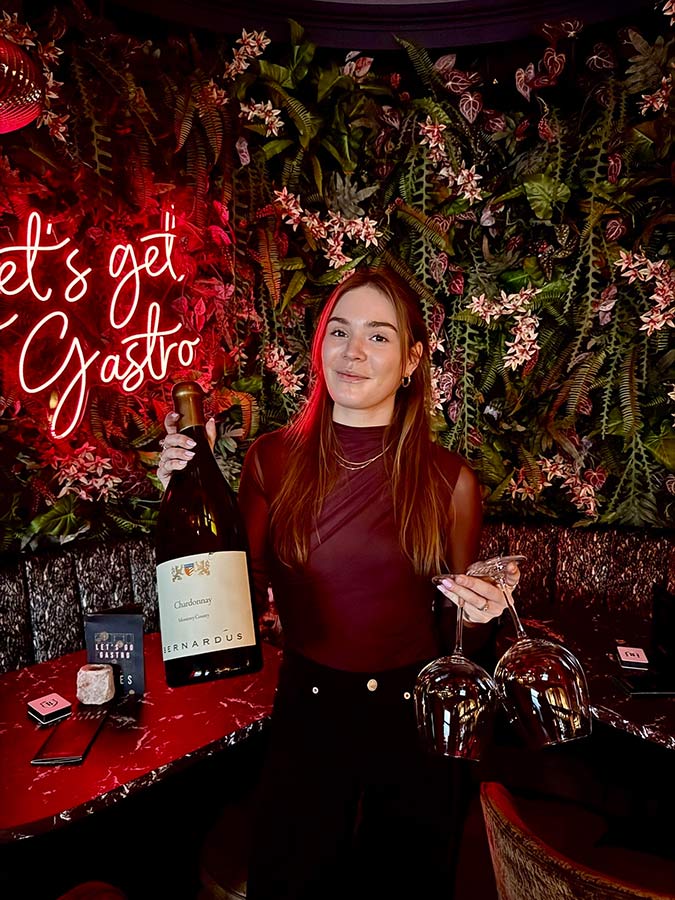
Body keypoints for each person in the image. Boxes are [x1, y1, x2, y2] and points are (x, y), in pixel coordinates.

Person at [157, 266, 520, 900]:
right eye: (339, 331)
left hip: (417, 721)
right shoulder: (271, 459)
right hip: (310, 711)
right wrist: (185, 484)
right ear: (320, 344)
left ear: (411, 361)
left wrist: (482, 611)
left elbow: (456, 636)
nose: (353, 353)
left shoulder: (451, 480)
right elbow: (235, 596)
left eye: (378, 336)